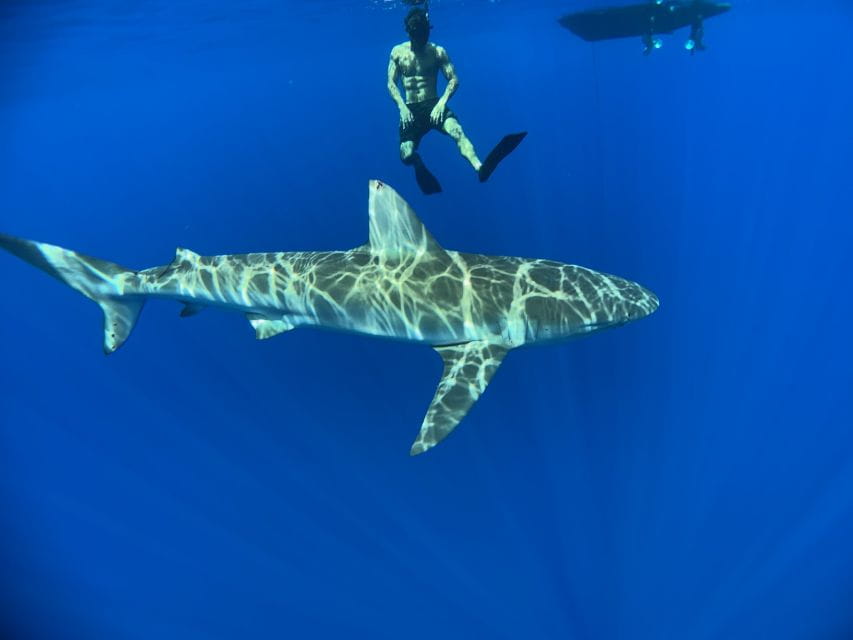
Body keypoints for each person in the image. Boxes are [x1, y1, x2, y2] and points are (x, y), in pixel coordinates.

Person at [387, 8, 526, 194]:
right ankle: (417, 162)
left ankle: (480, 167)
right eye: (420, 34)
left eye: (426, 33)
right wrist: (402, 108)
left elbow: (454, 79)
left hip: (434, 104)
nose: (424, 38)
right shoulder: (397, 52)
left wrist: (442, 103)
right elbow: (391, 84)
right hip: (410, 109)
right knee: (406, 155)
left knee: (457, 132)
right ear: (411, 32)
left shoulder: (437, 52)